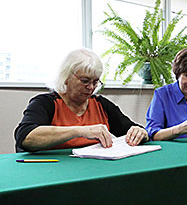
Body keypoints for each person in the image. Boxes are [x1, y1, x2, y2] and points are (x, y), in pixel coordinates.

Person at [15, 48, 149, 152]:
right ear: (66, 77)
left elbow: (131, 129)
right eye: (85, 81)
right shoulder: (45, 103)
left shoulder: (101, 104)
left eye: (95, 82)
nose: (91, 87)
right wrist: (81, 131)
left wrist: (140, 132)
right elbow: (26, 137)